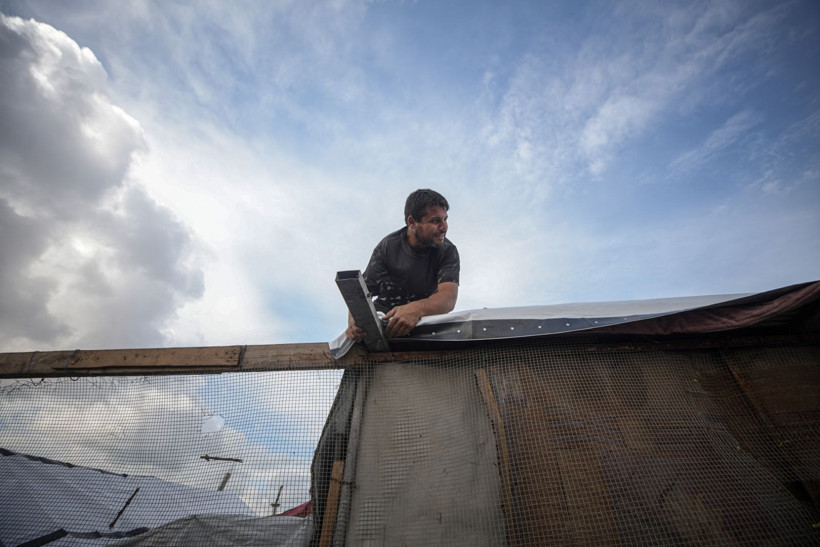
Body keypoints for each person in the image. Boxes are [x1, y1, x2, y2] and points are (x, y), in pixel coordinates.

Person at [346, 189, 460, 340]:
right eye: (436, 221)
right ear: (412, 222)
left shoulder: (447, 251)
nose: (444, 227)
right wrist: (354, 320)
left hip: (423, 321)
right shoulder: (388, 246)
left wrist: (415, 309)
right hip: (384, 319)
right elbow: (363, 292)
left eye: (445, 219)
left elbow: (448, 298)